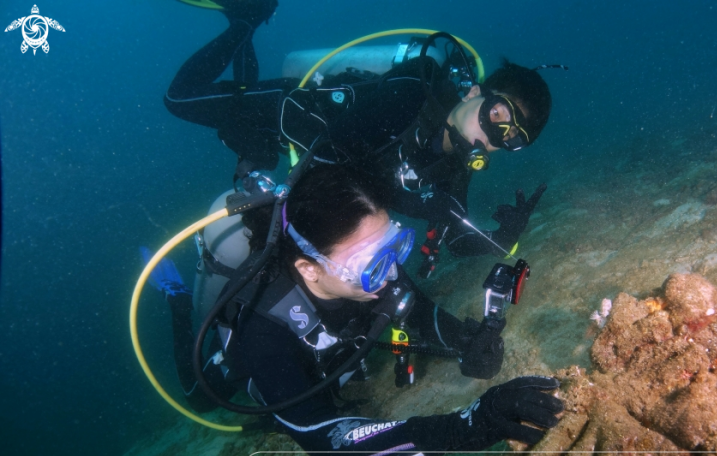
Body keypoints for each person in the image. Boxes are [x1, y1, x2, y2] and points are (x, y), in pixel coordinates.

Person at [159, 164, 564, 456]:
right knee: (198, 397)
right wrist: (466, 427)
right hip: (252, 366)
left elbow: (420, 311)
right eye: (370, 262)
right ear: (309, 268)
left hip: (332, 350)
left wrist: (466, 341)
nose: (389, 273)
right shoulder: (263, 330)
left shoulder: (375, 269)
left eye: (395, 245)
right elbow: (323, 438)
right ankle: (177, 301)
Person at [164, 0, 556, 268]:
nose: (493, 135)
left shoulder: (453, 167)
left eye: (511, 139)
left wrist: (503, 237)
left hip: (291, 147)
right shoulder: (414, 89)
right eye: (498, 114)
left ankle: (244, 20)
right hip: (292, 111)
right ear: (474, 93)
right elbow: (335, 150)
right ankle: (247, 20)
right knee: (179, 99)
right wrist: (411, 202)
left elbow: (455, 239)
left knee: (252, 140)